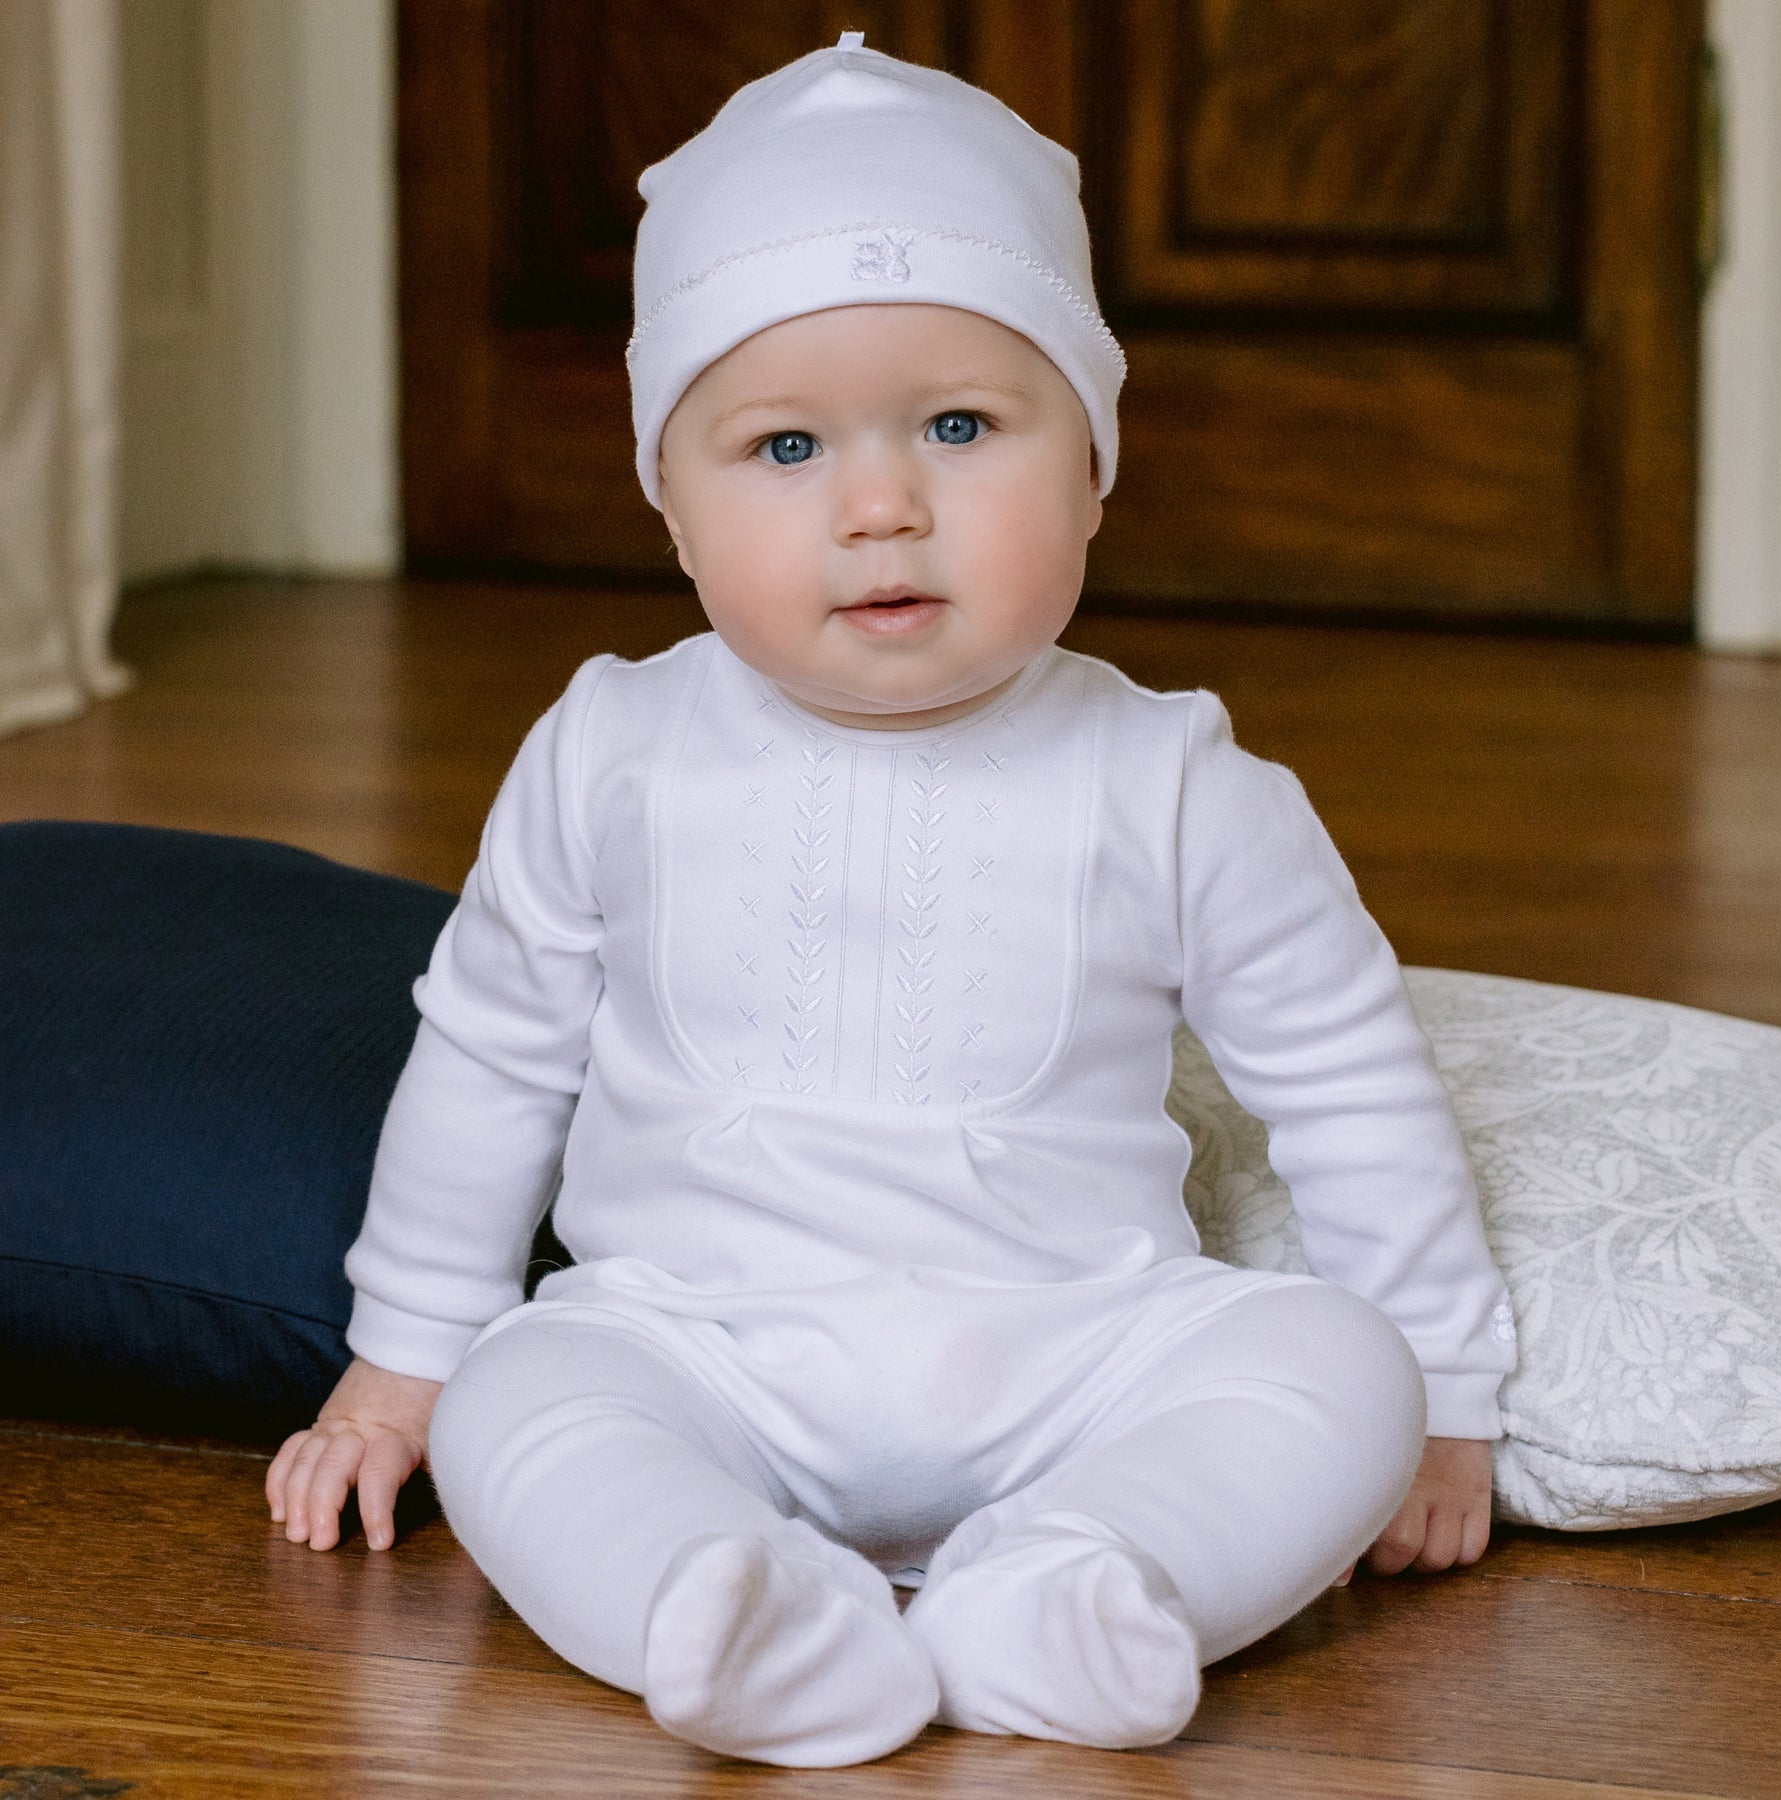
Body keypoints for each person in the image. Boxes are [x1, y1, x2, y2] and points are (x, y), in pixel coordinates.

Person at [266, 36, 1515, 1768]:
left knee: (1340, 1372)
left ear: (1094, 464)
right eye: (782, 447)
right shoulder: (610, 750)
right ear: (673, 511)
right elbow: (489, 1053)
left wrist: (1445, 1400)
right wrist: (405, 1350)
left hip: (1082, 1352)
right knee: (521, 1407)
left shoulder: (1180, 786)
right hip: (702, 1347)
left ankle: (1086, 1580)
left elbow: (1351, 1082)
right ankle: (724, 1599)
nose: (879, 507)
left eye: (959, 426)